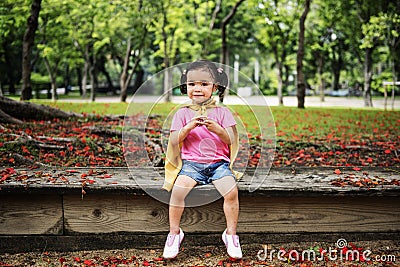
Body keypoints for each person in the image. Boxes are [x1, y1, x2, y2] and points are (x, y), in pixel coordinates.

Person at [162, 60, 242, 259]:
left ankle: (231, 235)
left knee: (231, 192)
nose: (197, 88)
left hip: (218, 165)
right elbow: (173, 141)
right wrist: (187, 128)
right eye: (192, 84)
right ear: (185, 86)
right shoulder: (182, 113)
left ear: (215, 87)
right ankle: (174, 233)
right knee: (177, 192)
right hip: (192, 166)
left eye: (204, 84)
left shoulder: (223, 112)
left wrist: (218, 129)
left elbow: (232, 140)